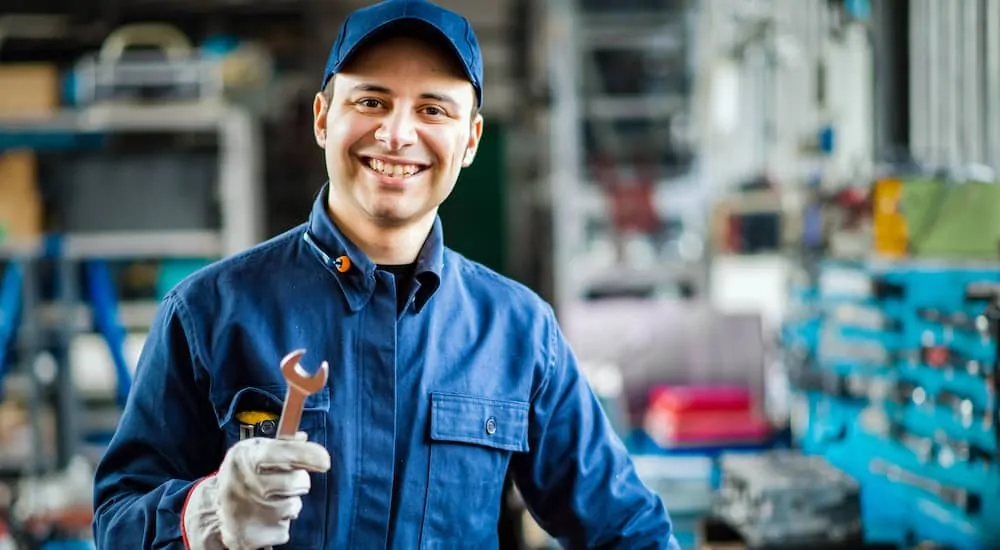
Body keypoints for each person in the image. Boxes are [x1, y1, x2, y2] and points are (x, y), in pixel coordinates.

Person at [92, 0, 681, 548]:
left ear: (470, 138)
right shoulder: (208, 313)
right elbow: (116, 517)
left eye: (432, 109)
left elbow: (629, 530)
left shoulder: (519, 331)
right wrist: (208, 511)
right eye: (370, 101)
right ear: (323, 118)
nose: (397, 134)